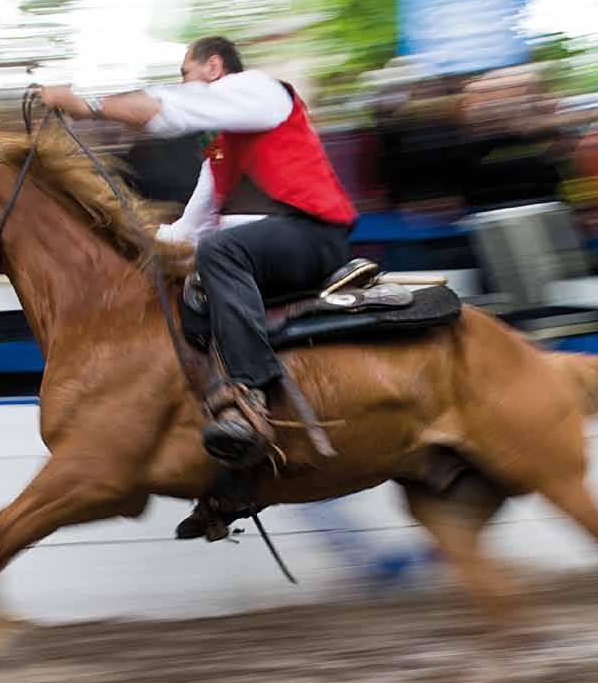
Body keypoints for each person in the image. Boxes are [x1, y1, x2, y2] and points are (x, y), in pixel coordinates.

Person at [40, 36, 359, 476]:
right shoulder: (219, 151)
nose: (182, 83)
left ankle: (249, 390)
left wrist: (85, 104)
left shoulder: (260, 90)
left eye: (185, 73)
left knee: (220, 251)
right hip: (263, 250)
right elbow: (188, 230)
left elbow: (171, 110)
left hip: (313, 236)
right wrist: (125, 241)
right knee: (189, 280)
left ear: (213, 67)